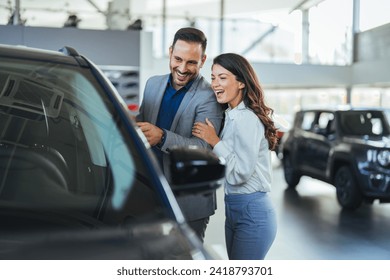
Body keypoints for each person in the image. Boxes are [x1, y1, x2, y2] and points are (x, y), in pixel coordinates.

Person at [136, 27, 223, 242]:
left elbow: (204, 150)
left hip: (189, 199)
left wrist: (162, 137)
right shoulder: (152, 84)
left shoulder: (209, 98)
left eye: (192, 62)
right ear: (170, 52)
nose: (182, 68)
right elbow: (141, 121)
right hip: (151, 193)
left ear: (203, 60)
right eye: (178, 59)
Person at [192, 53, 278, 259]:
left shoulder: (247, 118)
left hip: (253, 211)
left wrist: (214, 141)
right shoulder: (230, 116)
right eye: (213, 77)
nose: (215, 84)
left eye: (223, 77)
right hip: (234, 208)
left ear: (240, 82)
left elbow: (240, 174)